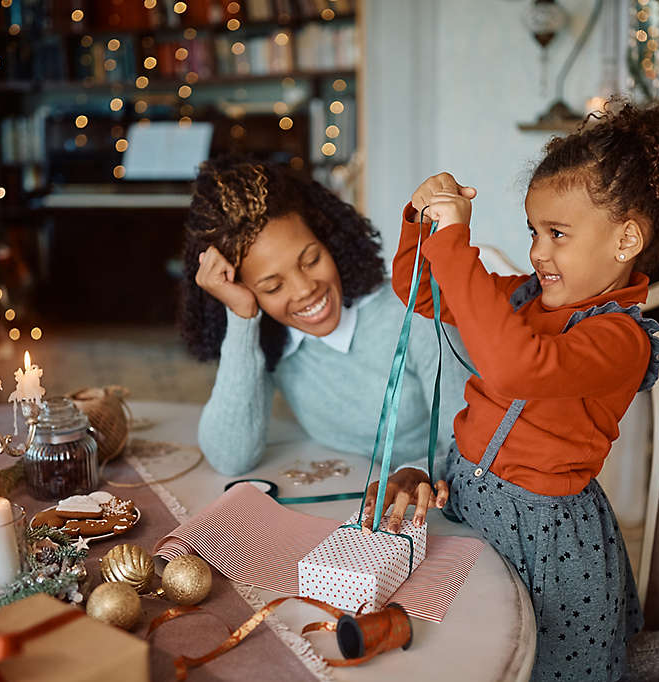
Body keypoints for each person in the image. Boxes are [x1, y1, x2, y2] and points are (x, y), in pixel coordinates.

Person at [363, 97, 659, 681]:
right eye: (534, 230)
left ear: (626, 240)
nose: (537, 251)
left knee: (553, 671)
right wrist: (421, 217)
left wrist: (459, 247)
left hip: (551, 544)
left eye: (557, 233)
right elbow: (420, 291)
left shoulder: (621, 340)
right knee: (470, 649)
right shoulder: (525, 298)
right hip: (471, 499)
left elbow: (515, 368)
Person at [179, 156, 470, 490]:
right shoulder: (271, 339)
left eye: (311, 259)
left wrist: (417, 473)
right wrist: (242, 318)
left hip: (441, 504)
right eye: (273, 286)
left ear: (328, 240)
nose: (305, 290)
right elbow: (230, 457)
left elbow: (475, 442)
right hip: (342, 497)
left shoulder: (414, 313)